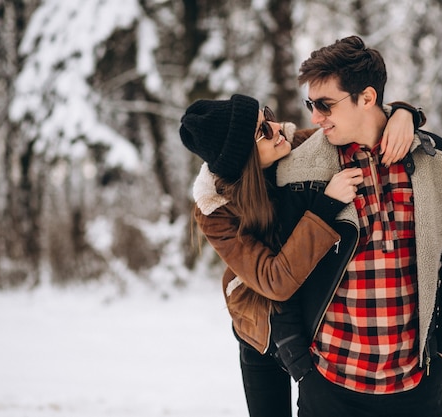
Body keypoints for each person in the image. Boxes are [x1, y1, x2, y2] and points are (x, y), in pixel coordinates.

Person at [271, 35, 442, 417]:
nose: (315, 117)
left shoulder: (435, 160)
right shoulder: (300, 172)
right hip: (329, 385)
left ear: (367, 98)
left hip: (417, 387)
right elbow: (283, 272)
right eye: (310, 104)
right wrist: (301, 368)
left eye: (325, 105)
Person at [179, 94, 425, 417]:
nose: (277, 128)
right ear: (243, 159)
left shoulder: (296, 147)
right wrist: (325, 208)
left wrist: (404, 113)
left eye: (267, 115)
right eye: (262, 132)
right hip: (261, 327)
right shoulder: (215, 210)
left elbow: (357, 122)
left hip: (308, 318)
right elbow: (274, 279)